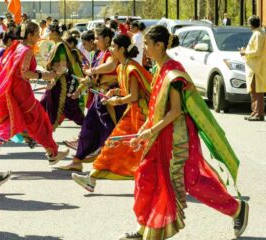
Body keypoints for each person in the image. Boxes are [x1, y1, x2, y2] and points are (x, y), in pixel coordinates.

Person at [119, 25, 249, 240]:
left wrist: (150, 130)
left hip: (177, 136)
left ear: (159, 45)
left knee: (193, 181)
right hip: (160, 134)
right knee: (146, 177)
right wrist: (144, 130)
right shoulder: (158, 69)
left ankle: (236, 209)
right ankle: (145, 227)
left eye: (148, 46)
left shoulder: (172, 72)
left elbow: (175, 110)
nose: (145, 51)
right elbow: (155, 107)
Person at [0, 21, 69, 164]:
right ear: (30, 35)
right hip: (21, 93)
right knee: (36, 121)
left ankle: (52, 152)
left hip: (13, 91)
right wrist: (44, 76)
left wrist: (42, 74)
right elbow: (24, 73)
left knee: (22, 121)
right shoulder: (26, 50)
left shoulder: (16, 47)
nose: (39, 36)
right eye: (37, 33)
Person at [72, 34, 151, 192]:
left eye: (114, 47)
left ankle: (161, 179)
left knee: (148, 150)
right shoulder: (122, 67)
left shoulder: (131, 68)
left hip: (141, 116)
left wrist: (116, 101)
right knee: (112, 145)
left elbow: (134, 96)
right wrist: (114, 91)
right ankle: (92, 179)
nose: (111, 50)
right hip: (131, 115)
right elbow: (126, 90)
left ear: (122, 49)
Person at [55, 26, 126, 171]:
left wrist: (92, 71)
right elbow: (93, 78)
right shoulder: (99, 54)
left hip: (111, 98)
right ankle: (77, 161)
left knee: (111, 131)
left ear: (106, 39)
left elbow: (110, 66)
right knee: (88, 127)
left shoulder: (112, 52)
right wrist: (82, 86)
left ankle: (114, 163)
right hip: (100, 97)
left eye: (96, 38)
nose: (94, 41)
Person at [40, 23, 85, 130]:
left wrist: (53, 81)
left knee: (70, 109)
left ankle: (91, 129)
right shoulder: (56, 45)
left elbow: (63, 67)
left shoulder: (60, 46)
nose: (48, 34)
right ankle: (40, 132)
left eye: (49, 31)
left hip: (62, 84)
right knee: (45, 104)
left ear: (55, 33)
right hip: (57, 82)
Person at [241, 15, 266, 121]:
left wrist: (245, 52)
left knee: (257, 91)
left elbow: (257, 51)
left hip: (256, 67)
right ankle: (255, 111)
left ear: (251, 24)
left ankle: (259, 113)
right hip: (253, 67)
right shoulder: (258, 33)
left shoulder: (258, 34)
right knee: (253, 91)